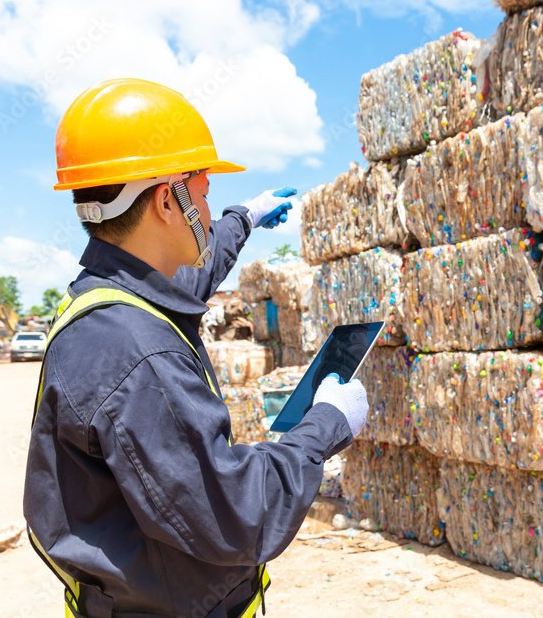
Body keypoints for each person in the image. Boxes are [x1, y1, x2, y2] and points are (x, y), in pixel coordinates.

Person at [24, 78, 368, 617]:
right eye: (204, 196)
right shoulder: (140, 357)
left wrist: (243, 219)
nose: (207, 214)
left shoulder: (106, 300)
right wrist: (326, 424)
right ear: (168, 200)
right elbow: (237, 515)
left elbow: (187, 282)